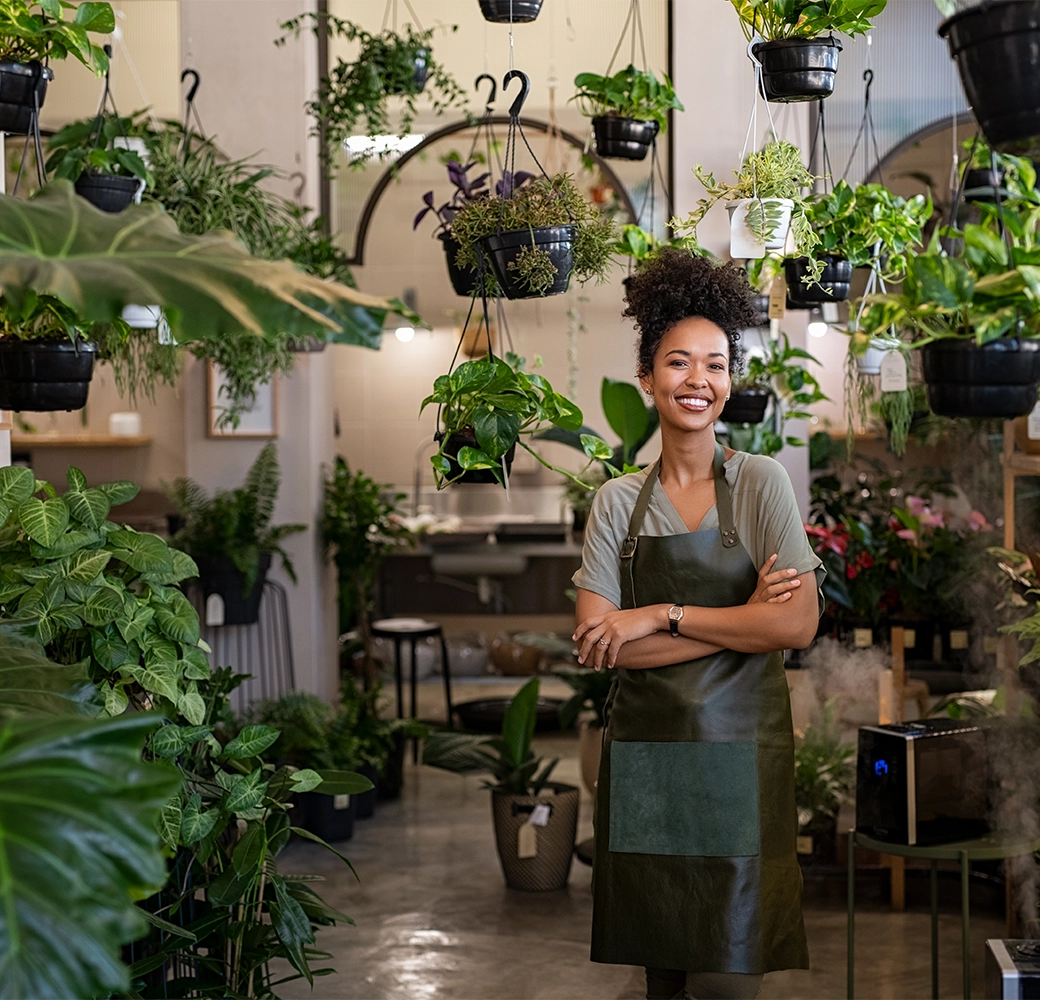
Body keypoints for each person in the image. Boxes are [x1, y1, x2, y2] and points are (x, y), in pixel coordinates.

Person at [571, 250, 825, 1000]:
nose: (698, 380)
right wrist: (745, 618)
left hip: (740, 762)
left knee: (728, 977)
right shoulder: (617, 502)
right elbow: (601, 645)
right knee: (663, 974)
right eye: (678, 363)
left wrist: (659, 615)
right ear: (647, 379)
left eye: (715, 364)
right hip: (650, 760)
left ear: (730, 381)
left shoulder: (760, 484)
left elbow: (800, 623)